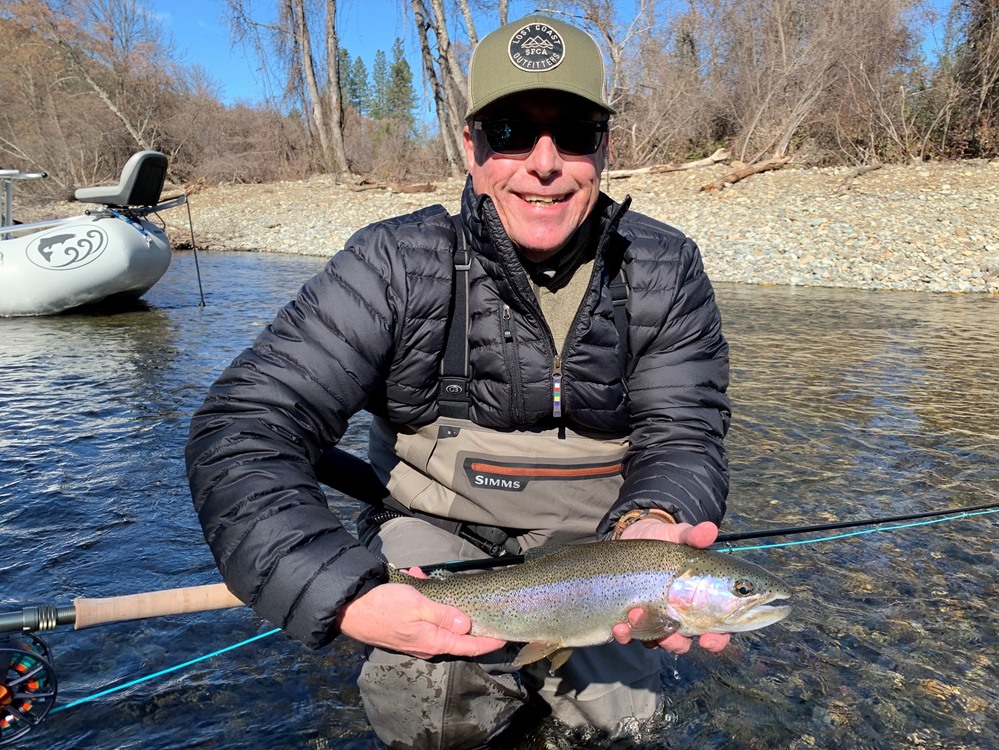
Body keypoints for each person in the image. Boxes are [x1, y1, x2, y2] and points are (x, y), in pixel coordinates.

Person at [186, 14, 731, 749]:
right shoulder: (394, 264)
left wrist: (658, 519)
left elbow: (685, 434)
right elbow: (245, 426)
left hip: (601, 556)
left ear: (603, 148)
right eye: (509, 131)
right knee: (430, 712)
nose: (544, 162)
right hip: (436, 538)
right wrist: (344, 591)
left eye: (572, 132)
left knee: (624, 729)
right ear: (470, 147)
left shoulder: (663, 269)